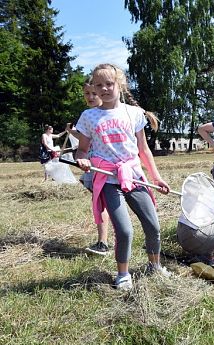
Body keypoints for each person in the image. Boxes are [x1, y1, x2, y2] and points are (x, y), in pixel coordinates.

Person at [73, 63, 171, 290]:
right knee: (125, 229)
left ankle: (154, 266)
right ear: (94, 88)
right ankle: (123, 274)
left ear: (119, 84)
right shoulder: (89, 116)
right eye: (99, 85)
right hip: (107, 178)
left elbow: (144, 149)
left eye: (109, 83)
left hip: (133, 175)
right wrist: (83, 159)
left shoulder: (134, 113)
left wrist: (156, 178)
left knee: (152, 225)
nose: (104, 89)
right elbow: (82, 149)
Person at [68, 80, 111, 256]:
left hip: (104, 165)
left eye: (94, 93)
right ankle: (105, 240)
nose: (91, 97)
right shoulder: (87, 115)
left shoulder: (106, 115)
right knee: (100, 201)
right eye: (87, 94)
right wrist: (73, 133)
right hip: (92, 164)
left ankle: (103, 242)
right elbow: (85, 139)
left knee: (101, 203)